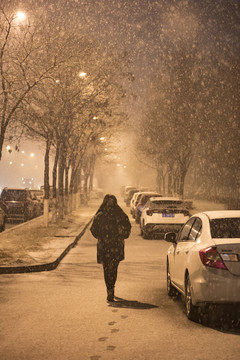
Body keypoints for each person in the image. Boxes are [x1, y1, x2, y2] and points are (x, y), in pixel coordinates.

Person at [90, 194, 131, 302]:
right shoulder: (120, 215)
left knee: (106, 269)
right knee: (113, 268)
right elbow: (127, 228)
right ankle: (111, 287)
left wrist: (101, 237)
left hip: (104, 246)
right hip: (116, 247)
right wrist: (121, 236)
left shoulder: (100, 215)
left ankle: (109, 288)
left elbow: (93, 230)